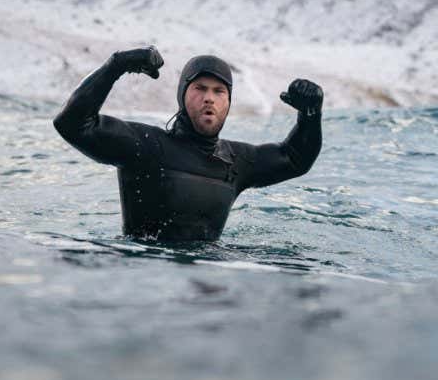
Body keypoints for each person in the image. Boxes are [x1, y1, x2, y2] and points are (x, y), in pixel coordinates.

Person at [53, 46, 323, 242]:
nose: (209, 98)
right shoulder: (145, 146)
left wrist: (310, 115)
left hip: (211, 275)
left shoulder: (238, 161)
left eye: (219, 91)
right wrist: (116, 65)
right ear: (183, 95)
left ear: (228, 103)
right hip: (143, 275)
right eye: (200, 88)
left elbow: (295, 158)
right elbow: (73, 124)